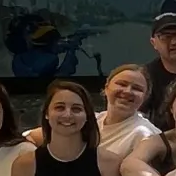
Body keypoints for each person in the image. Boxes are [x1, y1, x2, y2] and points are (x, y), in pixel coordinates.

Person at [26, 65, 161, 158]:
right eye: (122, 84)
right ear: (106, 87)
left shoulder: (146, 134)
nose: (127, 91)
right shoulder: (93, 119)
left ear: (145, 97)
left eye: (137, 88)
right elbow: (32, 136)